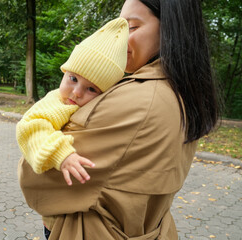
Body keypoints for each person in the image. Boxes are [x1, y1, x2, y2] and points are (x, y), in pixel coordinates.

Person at [18, 0, 220, 239]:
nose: (122, 38)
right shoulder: (182, 94)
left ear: (170, 29)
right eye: (120, 26)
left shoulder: (139, 99)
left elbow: (35, 178)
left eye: (132, 27)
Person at [16, 18, 128, 186]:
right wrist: (62, 155)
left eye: (91, 89)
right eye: (73, 78)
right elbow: (30, 127)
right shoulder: (56, 102)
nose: (76, 92)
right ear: (64, 71)